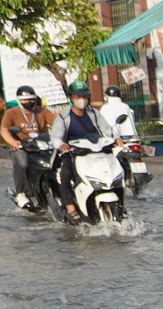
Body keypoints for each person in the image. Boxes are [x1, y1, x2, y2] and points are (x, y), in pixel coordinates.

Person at [48, 81, 114, 221]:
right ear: (70, 97)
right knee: (65, 174)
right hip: (73, 153)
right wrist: (61, 145)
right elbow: (56, 137)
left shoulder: (94, 113)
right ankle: (70, 205)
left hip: (96, 151)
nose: (82, 99)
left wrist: (117, 138)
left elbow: (106, 129)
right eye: (78, 96)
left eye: (84, 96)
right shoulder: (63, 117)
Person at [0, 86, 55, 210]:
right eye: (25, 100)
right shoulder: (12, 112)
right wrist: (14, 142)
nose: (29, 102)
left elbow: (57, 124)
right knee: (22, 162)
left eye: (31, 99)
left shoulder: (42, 111)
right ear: (19, 100)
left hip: (42, 146)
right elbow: (4, 130)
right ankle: (22, 193)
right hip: (22, 147)